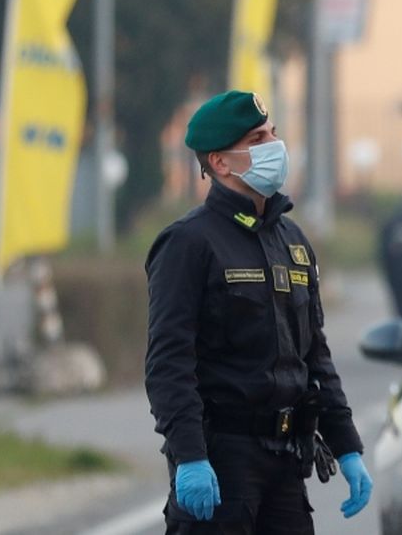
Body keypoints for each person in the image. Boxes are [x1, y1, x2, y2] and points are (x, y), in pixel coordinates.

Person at [144, 91, 373, 532]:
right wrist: (190, 455)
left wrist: (346, 446)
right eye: (257, 138)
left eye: (272, 133)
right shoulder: (188, 244)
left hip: (287, 460)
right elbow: (168, 363)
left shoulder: (291, 240)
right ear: (221, 163)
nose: (274, 145)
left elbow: (315, 355)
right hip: (223, 459)